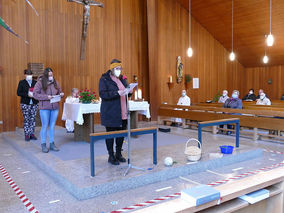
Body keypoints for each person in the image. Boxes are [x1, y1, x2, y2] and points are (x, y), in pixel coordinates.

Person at [99, 59, 133, 165]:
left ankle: (118, 154)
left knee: (121, 135)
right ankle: (111, 156)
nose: (119, 70)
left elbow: (125, 92)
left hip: (122, 111)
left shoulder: (122, 79)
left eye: (120, 68)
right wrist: (117, 93)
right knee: (110, 135)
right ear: (112, 69)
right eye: (117, 68)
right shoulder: (104, 79)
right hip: (111, 112)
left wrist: (130, 91)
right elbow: (103, 94)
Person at [33, 68, 64, 153]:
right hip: (44, 108)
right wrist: (47, 97)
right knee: (45, 125)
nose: (51, 77)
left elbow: (59, 91)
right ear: (45, 75)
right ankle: (43, 144)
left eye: (52, 75)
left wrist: (61, 94)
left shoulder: (55, 82)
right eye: (49, 75)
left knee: (52, 126)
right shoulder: (39, 83)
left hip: (55, 107)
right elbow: (35, 95)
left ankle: (51, 143)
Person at [17, 69, 39, 141]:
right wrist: (27, 94)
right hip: (25, 103)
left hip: (34, 103)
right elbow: (18, 93)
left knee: (33, 119)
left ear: (32, 75)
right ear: (25, 75)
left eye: (30, 74)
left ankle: (32, 133)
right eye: (27, 74)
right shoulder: (22, 82)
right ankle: (27, 134)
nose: (29, 75)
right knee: (27, 119)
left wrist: (34, 94)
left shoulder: (35, 82)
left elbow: (38, 91)